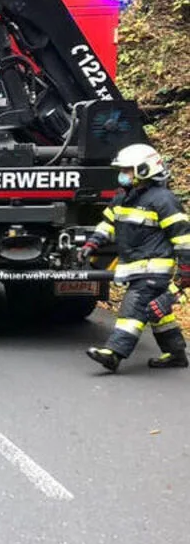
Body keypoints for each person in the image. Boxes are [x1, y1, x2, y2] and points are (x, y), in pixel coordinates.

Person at [80, 143, 190, 372]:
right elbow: (109, 223)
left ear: (144, 170)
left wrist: (185, 272)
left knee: (133, 306)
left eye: (127, 170)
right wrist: (93, 242)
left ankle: (113, 354)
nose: (122, 174)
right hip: (135, 266)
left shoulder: (163, 200)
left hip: (153, 269)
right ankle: (176, 353)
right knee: (156, 311)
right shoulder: (122, 197)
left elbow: (183, 239)